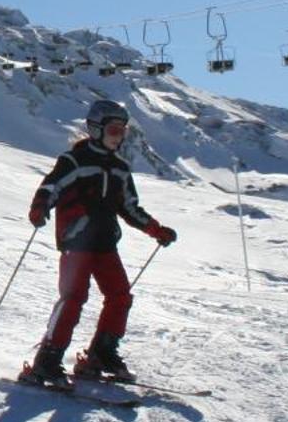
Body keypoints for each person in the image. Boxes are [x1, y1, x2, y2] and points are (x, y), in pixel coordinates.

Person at [21, 98, 176, 387]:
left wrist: (156, 230)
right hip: (76, 242)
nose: (119, 136)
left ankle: (102, 353)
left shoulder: (119, 168)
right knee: (74, 298)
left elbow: (129, 207)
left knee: (120, 296)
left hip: (105, 243)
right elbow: (51, 186)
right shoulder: (75, 160)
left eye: (122, 131)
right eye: (114, 130)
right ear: (95, 129)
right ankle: (48, 360)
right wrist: (41, 206)